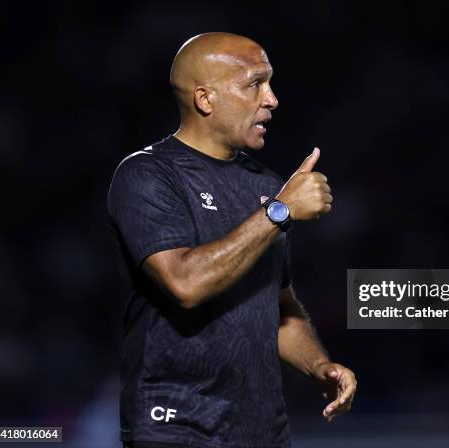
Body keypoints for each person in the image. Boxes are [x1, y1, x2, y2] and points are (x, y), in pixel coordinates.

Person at [106, 32, 357, 448]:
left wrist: (319, 365)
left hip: (263, 433)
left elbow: (278, 306)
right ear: (206, 99)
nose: (272, 99)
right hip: (176, 428)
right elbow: (185, 283)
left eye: (270, 82)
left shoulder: (265, 185)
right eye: (255, 83)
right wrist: (279, 212)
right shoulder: (147, 176)